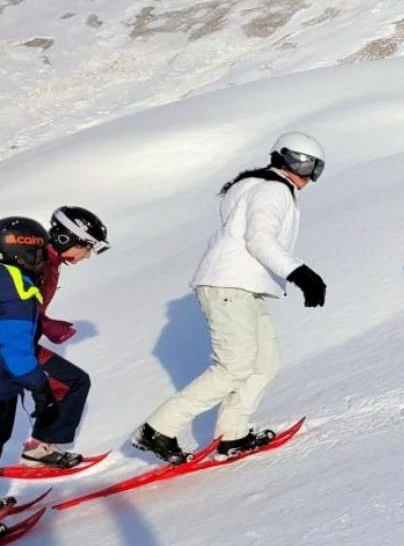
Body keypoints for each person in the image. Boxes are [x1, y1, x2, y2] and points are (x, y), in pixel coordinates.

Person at [135, 133, 327, 464]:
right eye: (307, 165)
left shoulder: (262, 187)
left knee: (265, 362)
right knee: (234, 366)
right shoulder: (272, 189)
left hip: (245, 286)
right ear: (287, 159)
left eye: (316, 168)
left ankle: (232, 435)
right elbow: (260, 239)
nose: (309, 176)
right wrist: (300, 273)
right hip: (229, 286)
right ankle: (158, 430)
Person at [3, 207, 109, 468]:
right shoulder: (37, 261)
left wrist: (46, 324)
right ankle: (40, 448)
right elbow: (14, 308)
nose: (87, 255)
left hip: (21, 341)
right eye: (88, 247)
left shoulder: (48, 262)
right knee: (72, 382)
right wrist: (46, 324)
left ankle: (41, 447)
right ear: (67, 239)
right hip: (15, 344)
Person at [0, 218, 61, 469]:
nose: (43, 261)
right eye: (40, 254)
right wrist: (41, 388)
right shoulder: (15, 290)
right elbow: (14, 349)